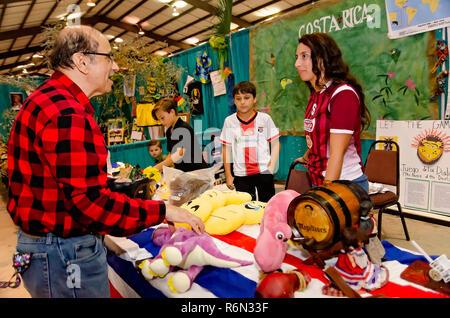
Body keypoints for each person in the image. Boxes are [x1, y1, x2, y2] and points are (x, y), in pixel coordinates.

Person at [7, 25, 204, 298]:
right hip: (65, 254)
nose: (116, 66)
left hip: (47, 248)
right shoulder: (68, 114)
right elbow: (89, 204)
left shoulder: (47, 100)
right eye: (109, 57)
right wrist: (163, 212)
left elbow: (63, 187)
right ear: (82, 61)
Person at [294, 32, 371, 192]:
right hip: (320, 180)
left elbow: (337, 154)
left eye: (304, 56)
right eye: (297, 57)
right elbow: (320, 136)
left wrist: (325, 194)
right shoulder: (316, 94)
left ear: (322, 58)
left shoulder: (343, 94)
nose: (297, 63)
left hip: (343, 185)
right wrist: (307, 156)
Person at [219, 81, 280, 202]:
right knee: (245, 208)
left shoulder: (265, 119)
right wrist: (228, 175)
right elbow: (227, 149)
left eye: (246, 98)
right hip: (241, 174)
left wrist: (271, 166)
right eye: (238, 98)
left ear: (254, 99)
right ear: (234, 101)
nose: (242, 102)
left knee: (267, 206)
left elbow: (276, 143)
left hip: (263, 171)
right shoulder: (229, 121)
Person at [152, 97, 209, 172]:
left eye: (162, 118)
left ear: (172, 112)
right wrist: (164, 169)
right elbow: (171, 154)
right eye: (159, 120)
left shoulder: (184, 128)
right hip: (184, 173)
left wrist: (157, 167)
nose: (161, 122)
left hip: (197, 171)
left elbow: (179, 154)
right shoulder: (169, 131)